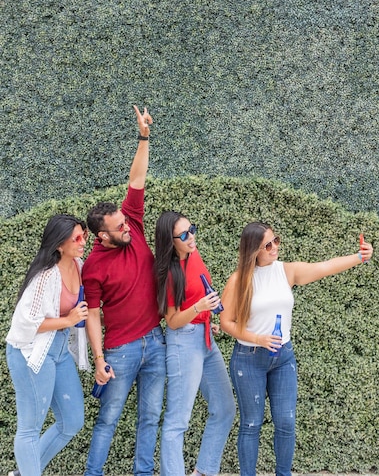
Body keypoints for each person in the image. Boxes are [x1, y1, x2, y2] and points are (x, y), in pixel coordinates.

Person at [220, 222, 373, 476]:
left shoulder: (286, 271)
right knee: (251, 424)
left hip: (283, 358)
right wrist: (258, 339)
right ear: (253, 251)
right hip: (249, 359)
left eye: (276, 240)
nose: (274, 247)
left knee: (286, 422)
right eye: (267, 245)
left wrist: (359, 257)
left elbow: (324, 267)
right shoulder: (239, 280)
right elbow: (226, 322)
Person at [82, 105, 166, 476]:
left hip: (156, 340)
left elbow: (137, 178)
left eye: (125, 221)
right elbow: (93, 315)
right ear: (102, 236)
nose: (128, 228)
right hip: (122, 350)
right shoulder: (93, 267)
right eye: (118, 227)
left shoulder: (131, 220)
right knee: (108, 421)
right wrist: (100, 359)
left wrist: (143, 136)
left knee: (150, 417)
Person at [6, 214, 90, 476]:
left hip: (59, 351)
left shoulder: (79, 264)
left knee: (72, 420)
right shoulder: (45, 276)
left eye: (84, 236)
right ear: (58, 244)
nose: (83, 241)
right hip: (31, 353)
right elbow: (25, 324)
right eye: (77, 237)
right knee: (30, 428)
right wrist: (68, 319)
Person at [154, 210, 236, 476]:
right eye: (184, 235)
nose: (192, 237)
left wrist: (204, 315)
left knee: (225, 408)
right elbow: (173, 321)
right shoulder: (167, 273)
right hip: (183, 342)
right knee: (177, 421)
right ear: (170, 241)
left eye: (193, 229)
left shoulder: (193, 254)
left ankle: (203, 471)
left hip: (205, 337)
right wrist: (198, 307)